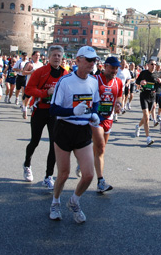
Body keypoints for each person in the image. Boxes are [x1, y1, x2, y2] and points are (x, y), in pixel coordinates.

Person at [48, 46, 100, 223]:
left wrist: (94, 115)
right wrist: (72, 110)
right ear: (78, 60)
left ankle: (74, 201)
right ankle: (55, 202)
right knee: (63, 173)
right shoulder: (65, 81)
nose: (92, 64)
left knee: (88, 175)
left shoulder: (93, 81)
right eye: (88, 60)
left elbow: (96, 103)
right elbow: (53, 109)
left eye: (94, 60)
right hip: (64, 129)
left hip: (83, 130)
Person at [24, 45, 68, 188]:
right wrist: (45, 93)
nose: (56, 58)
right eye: (54, 55)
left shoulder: (65, 73)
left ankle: (48, 176)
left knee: (54, 145)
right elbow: (29, 89)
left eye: (59, 56)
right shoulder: (40, 72)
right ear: (48, 57)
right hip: (40, 110)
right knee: (35, 141)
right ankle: (27, 164)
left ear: (62, 58)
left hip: (54, 113)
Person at [91, 56, 123, 192]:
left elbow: (119, 97)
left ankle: (85, 161)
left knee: (100, 150)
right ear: (105, 66)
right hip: (95, 118)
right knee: (101, 147)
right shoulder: (95, 80)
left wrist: (118, 105)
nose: (114, 70)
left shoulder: (119, 82)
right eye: (112, 67)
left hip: (109, 118)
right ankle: (100, 181)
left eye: (116, 68)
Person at [134, 60, 161, 146]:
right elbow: (137, 81)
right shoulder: (144, 73)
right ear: (148, 65)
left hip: (152, 97)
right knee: (146, 116)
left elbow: (158, 87)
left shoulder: (157, 74)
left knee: (146, 116)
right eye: (152, 64)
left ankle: (138, 126)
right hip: (144, 96)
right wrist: (141, 82)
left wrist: (160, 82)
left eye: (155, 64)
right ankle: (148, 138)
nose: (153, 66)